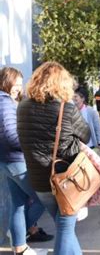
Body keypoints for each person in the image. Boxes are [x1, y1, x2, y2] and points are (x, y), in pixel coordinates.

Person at [17, 62, 91, 255]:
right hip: (66, 179)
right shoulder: (66, 107)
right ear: (62, 83)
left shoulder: (22, 106)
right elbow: (86, 135)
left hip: (40, 181)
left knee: (64, 226)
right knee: (65, 228)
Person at [0, 67, 54, 255]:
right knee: (44, 198)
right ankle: (17, 237)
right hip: (16, 161)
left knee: (19, 203)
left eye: (20, 84)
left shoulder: (4, 101)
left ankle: (20, 248)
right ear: (6, 82)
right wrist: (32, 145)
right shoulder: (5, 102)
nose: (19, 87)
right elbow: (10, 136)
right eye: (16, 83)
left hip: (7, 162)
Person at [73, 87, 100, 152]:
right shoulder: (70, 111)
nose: (73, 98)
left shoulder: (91, 112)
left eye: (75, 96)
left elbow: (98, 128)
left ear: (83, 98)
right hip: (75, 148)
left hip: (89, 146)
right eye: (72, 96)